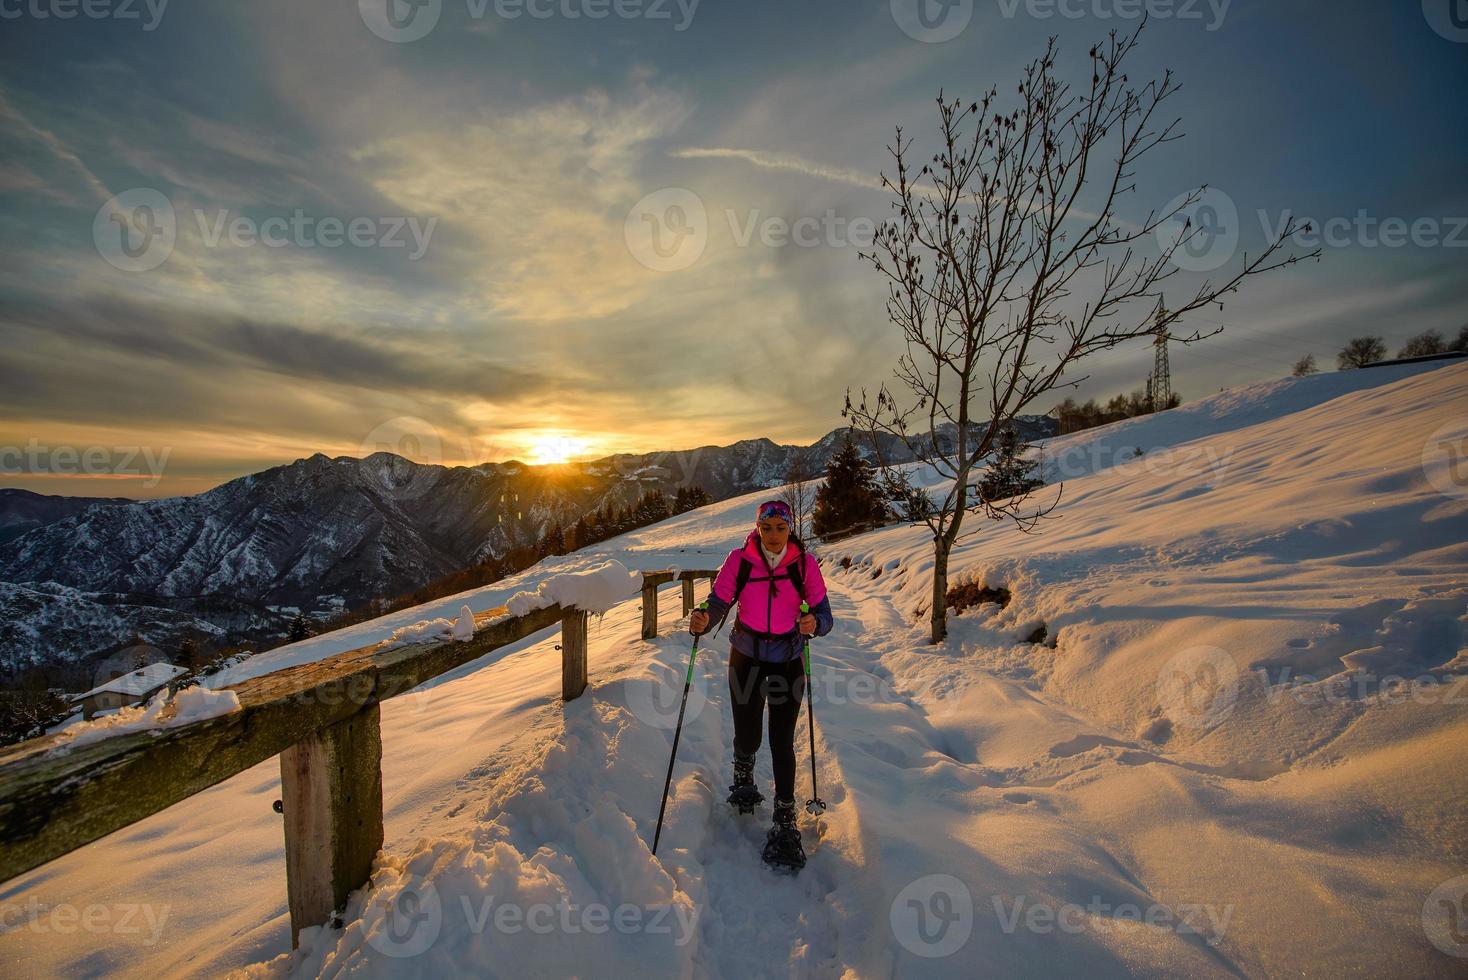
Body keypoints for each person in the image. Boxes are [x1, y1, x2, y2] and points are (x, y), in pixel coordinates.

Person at [688, 499, 835, 870]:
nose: (772, 535)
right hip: (747, 657)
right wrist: (705, 617)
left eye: (780, 528)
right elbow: (719, 600)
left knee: (782, 740)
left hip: (788, 660)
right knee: (748, 732)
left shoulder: (804, 564)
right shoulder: (739, 561)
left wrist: (813, 624)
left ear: (790, 529)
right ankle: (743, 773)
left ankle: (785, 817)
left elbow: (824, 614)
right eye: (766, 527)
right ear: (757, 528)